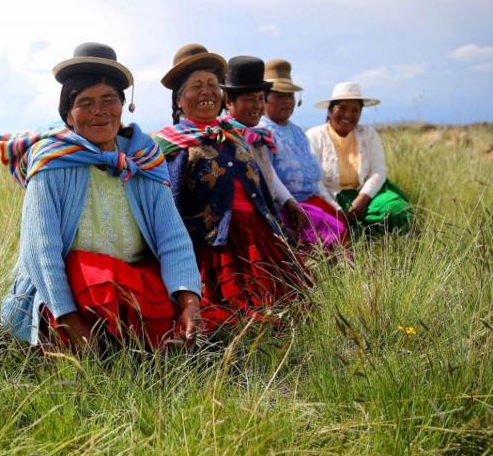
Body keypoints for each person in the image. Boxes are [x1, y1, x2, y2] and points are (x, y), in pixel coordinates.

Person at [0, 42, 202, 351]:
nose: (99, 111)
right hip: (71, 288)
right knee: (84, 272)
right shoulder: (51, 161)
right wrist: (70, 321)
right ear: (69, 115)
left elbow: (172, 236)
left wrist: (189, 300)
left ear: (123, 105)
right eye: (85, 102)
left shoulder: (143, 158)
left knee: (171, 333)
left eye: (109, 99)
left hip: (133, 276)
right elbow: (42, 249)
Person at [154, 46, 309, 329]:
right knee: (236, 315)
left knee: (294, 307)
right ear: (179, 100)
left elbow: (262, 188)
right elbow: (170, 205)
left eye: (212, 85)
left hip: (260, 237)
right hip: (215, 245)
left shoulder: (235, 137)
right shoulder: (172, 147)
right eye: (196, 86)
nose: (206, 92)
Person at [257, 59, 348, 250]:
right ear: (263, 98)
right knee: (330, 231)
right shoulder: (261, 132)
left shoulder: (298, 131)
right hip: (287, 209)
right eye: (279, 95)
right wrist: (290, 203)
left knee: (342, 223)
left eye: (290, 95)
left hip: (312, 201)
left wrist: (333, 205)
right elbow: (269, 176)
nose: (287, 101)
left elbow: (316, 182)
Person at [306, 82, 412, 233]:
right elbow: (314, 179)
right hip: (331, 196)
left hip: (366, 193)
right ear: (330, 111)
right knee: (333, 223)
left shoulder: (368, 134)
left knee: (397, 209)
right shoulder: (314, 136)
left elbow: (378, 171)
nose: (348, 115)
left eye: (355, 110)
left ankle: (373, 235)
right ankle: (360, 233)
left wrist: (363, 198)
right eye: (342, 108)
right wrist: (336, 208)